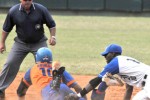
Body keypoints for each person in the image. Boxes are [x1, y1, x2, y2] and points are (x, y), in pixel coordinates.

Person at [0, 0, 56, 98]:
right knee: (10, 63)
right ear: (21, 0)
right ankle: (0, 88)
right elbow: (6, 29)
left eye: (29, 0)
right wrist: (2, 43)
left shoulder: (41, 9)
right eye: (25, 0)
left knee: (45, 65)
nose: (27, 2)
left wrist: (53, 37)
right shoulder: (14, 11)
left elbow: (52, 25)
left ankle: (51, 91)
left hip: (39, 42)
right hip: (20, 43)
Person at [65, 44, 150, 100]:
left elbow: (96, 81)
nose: (105, 57)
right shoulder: (123, 65)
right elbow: (129, 88)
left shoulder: (115, 63)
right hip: (146, 86)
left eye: (106, 54)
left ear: (113, 54)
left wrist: (79, 95)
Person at [17, 47, 87, 100]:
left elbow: (21, 90)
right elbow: (78, 88)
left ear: (37, 58)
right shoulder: (56, 69)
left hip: (48, 91)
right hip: (62, 87)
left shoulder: (32, 69)